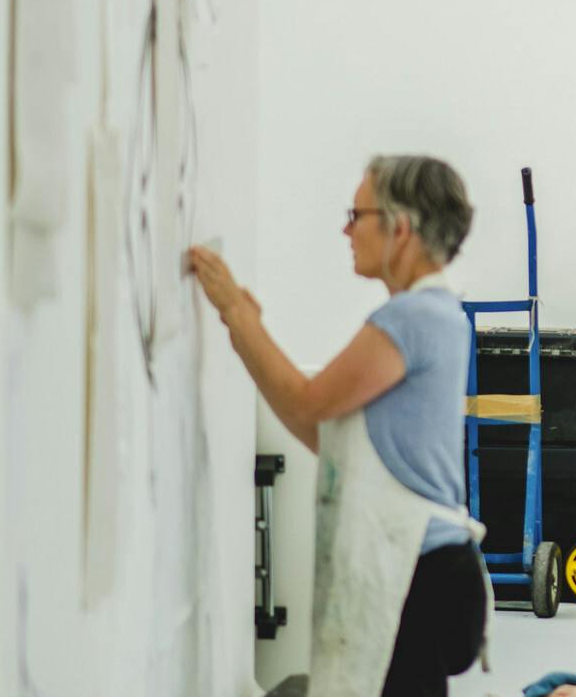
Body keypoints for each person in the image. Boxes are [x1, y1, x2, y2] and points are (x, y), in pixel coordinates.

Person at [190, 156, 488, 697]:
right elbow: (332, 439)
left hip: (415, 579)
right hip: (433, 574)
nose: (346, 229)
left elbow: (306, 407)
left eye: (357, 214)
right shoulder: (441, 313)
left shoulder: (409, 319)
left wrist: (237, 313)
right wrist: (246, 327)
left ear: (399, 228)